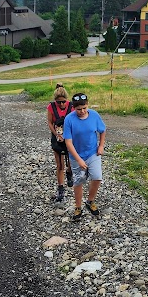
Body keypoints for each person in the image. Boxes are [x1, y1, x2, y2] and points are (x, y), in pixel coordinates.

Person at [63, 92, 106, 221]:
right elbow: (68, 142)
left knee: (97, 177)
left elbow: (102, 130)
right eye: (78, 109)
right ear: (73, 108)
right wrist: (78, 160)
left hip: (92, 152)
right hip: (76, 155)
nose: (82, 111)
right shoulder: (69, 119)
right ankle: (78, 207)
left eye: (84, 108)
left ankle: (90, 201)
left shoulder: (94, 115)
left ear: (87, 105)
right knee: (79, 180)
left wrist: (101, 145)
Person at [46, 84, 74, 202]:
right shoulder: (51, 107)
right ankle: (61, 187)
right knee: (60, 164)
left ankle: (70, 172)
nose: (61, 104)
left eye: (63, 102)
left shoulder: (71, 107)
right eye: (59, 102)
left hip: (69, 137)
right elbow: (49, 122)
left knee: (71, 161)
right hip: (57, 137)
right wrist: (57, 134)